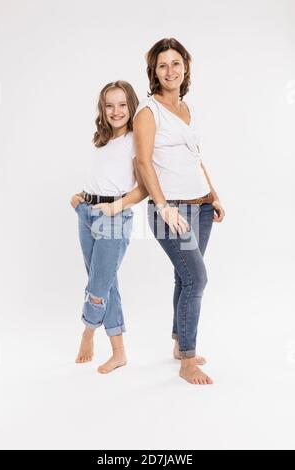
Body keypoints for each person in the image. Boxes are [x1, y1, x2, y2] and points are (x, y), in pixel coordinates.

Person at [133, 38, 225, 385]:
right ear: (154, 72)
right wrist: (163, 206)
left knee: (184, 277)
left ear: (185, 67)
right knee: (196, 279)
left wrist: (213, 195)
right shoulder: (148, 111)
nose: (169, 71)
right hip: (171, 211)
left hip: (200, 207)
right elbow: (143, 163)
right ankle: (188, 359)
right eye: (162, 65)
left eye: (175, 63)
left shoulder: (189, 109)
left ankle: (178, 343)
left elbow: (195, 156)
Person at [71, 81, 147, 374]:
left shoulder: (135, 140)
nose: (116, 111)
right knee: (106, 280)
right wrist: (80, 198)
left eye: (122, 105)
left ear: (131, 106)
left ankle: (88, 333)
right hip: (86, 212)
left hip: (115, 216)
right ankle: (119, 353)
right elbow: (102, 177)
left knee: (99, 285)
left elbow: (144, 189)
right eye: (109, 105)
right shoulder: (100, 140)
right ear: (102, 108)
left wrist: (115, 207)